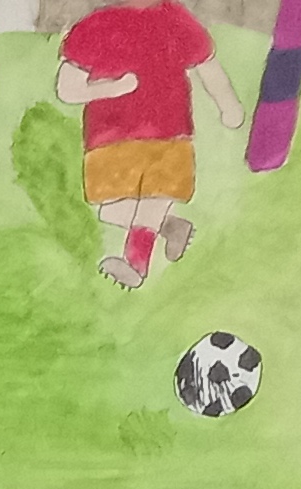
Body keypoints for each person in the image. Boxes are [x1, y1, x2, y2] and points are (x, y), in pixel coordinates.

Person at [57, 1, 239, 289]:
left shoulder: (174, 17)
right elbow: (67, 90)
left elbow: (208, 66)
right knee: (110, 210)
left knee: (155, 200)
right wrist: (113, 88)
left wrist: (229, 106)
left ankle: (135, 264)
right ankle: (170, 227)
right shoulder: (95, 26)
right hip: (109, 139)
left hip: (169, 134)